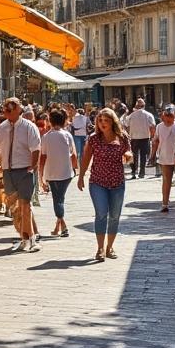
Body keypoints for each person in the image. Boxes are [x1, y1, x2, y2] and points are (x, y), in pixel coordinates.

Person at [0, 98, 43, 252]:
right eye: (5, 109)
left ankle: (31, 239)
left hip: (24, 170)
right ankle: (25, 238)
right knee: (15, 207)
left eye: (10, 109)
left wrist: (33, 166)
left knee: (25, 205)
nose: (6, 112)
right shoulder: (2, 127)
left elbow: (36, 148)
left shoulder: (29, 127)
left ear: (19, 110)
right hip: (8, 171)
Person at [77, 108, 128, 261]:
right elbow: (86, 158)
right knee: (101, 214)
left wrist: (128, 156)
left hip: (117, 182)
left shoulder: (122, 137)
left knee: (114, 216)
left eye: (106, 120)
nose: (103, 123)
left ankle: (109, 247)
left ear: (113, 121)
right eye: (100, 120)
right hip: (98, 181)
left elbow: (129, 152)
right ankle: (100, 248)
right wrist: (81, 176)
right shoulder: (93, 139)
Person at [39, 108, 79, 237]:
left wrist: (41, 177)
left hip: (52, 173)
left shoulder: (46, 137)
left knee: (57, 200)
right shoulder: (67, 135)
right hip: (67, 173)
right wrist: (76, 170)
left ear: (50, 121)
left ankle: (64, 226)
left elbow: (43, 158)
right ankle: (58, 226)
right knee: (59, 198)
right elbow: (73, 155)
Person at [154, 104, 175, 212]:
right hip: (164, 156)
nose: (168, 118)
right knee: (166, 179)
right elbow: (156, 140)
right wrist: (153, 155)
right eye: (166, 116)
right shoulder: (159, 127)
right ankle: (165, 203)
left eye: (170, 116)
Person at [126, 98, 157, 179]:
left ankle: (133, 171)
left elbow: (126, 126)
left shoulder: (131, 116)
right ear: (144, 106)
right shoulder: (148, 115)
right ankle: (141, 172)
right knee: (143, 156)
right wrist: (152, 136)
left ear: (136, 105)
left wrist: (129, 135)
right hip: (145, 138)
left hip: (134, 138)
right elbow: (153, 127)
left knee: (133, 156)